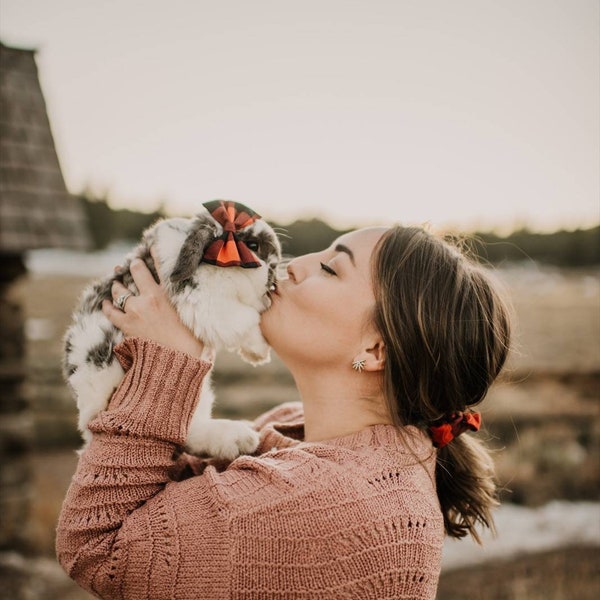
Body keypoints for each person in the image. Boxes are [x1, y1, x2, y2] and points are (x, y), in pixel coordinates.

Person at [56, 224, 511, 599]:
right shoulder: (303, 430)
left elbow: (99, 546)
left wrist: (170, 363)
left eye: (330, 269)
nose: (291, 267)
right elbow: (155, 493)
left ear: (376, 349)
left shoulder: (326, 502)